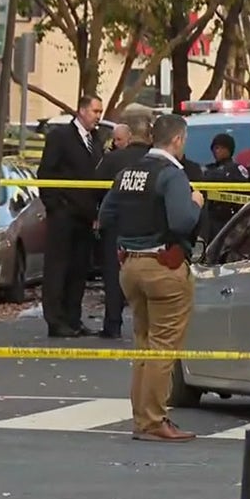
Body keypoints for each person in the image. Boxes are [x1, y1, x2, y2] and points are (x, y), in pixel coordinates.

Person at [99, 114, 204, 442]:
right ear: (177, 140)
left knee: (143, 344)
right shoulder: (172, 175)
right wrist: (196, 202)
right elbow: (182, 221)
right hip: (164, 266)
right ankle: (156, 419)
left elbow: (105, 217)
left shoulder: (128, 173)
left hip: (130, 265)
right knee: (162, 347)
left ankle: (142, 419)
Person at [37, 95, 105, 337]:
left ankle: (73, 318)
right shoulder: (61, 137)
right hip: (64, 214)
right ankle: (55, 320)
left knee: (78, 269)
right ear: (82, 111)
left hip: (85, 216)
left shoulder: (95, 140)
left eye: (100, 111)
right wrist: (55, 206)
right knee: (58, 267)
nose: (99, 116)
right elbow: (45, 172)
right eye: (95, 111)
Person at [94, 110, 155, 339]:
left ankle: (112, 324)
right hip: (149, 226)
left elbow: (95, 188)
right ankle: (148, 326)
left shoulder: (113, 159)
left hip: (117, 226)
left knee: (113, 275)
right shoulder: (156, 160)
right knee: (149, 274)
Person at [202, 133, 249, 242]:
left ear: (229, 150)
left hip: (231, 221)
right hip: (209, 221)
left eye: (222, 148)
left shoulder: (237, 169)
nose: (217, 151)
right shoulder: (207, 169)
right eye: (215, 148)